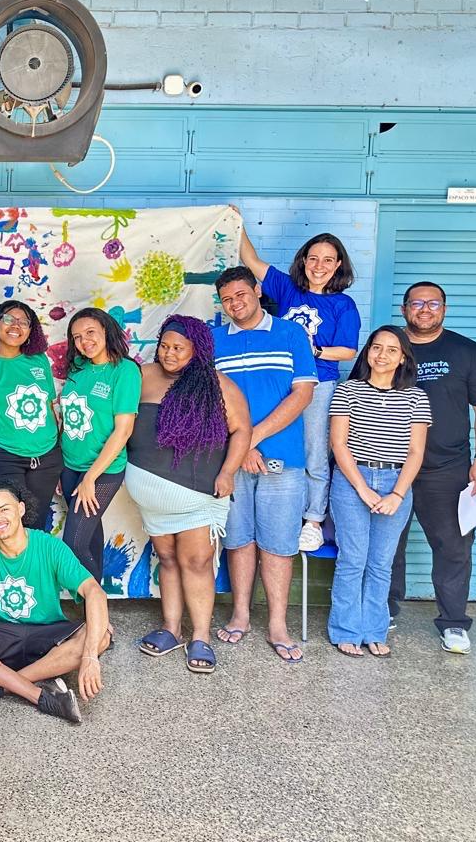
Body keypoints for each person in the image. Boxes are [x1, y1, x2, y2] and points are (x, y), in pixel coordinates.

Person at [126, 316, 251, 674]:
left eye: (178, 348)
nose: (169, 353)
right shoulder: (143, 376)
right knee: (166, 559)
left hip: (198, 496)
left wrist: (228, 472)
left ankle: (201, 637)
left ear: (197, 350)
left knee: (196, 562)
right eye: (164, 346)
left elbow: (242, 430)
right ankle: (171, 629)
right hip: (151, 499)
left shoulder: (217, 385)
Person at [389, 282, 476, 655]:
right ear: (404, 309)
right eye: (417, 303)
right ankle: (383, 610)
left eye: (433, 303)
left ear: (444, 309)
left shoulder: (467, 352)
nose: (425, 309)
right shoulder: (386, 347)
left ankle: (453, 622)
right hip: (389, 465)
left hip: (446, 468)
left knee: (453, 546)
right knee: (387, 543)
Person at [212, 267, 317, 664]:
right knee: (238, 540)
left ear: (257, 290)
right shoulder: (214, 340)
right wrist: (239, 448)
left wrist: (249, 439)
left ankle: (277, 625)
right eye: (226, 299)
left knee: (278, 544)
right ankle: (240, 615)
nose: (234, 303)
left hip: (283, 458)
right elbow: (212, 402)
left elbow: (302, 395)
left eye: (240, 294)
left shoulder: (291, 334)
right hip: (231, 460)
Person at [237, 223, 361, 552]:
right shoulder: (288, 289)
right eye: (313, 258)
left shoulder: (343, 304)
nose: (319, 266)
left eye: (328, 260)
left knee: (314, 449)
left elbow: (348, 350)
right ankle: (284, 513)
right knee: (275, 440)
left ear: (338, 265)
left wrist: (312, 350)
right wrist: (237, 222)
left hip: (318, 383)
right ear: (303, 260)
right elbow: (250, 260)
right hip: (280, 381)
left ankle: (313, 520)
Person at [0, 480, 110, 725]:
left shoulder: (49, 546)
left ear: (21, 509)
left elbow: (95, 592)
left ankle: (4, 685)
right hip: (2, 636)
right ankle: (39, 693)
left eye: (4, 509)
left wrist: (89, 658)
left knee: (101, 636)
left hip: (46, 634)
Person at [328, 326, 431, 658]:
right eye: (376, 347)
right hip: (352, 480)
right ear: (368, 352)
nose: (382, 355)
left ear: (403, 358)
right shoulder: (348, 390)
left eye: (391, 350)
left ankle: (374, 631)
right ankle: (346, 631)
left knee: (381, 563)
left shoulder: (416, 397)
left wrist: (397, 494)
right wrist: (362, 488)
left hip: (396, 482)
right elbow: (339, 444)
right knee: (352, 559)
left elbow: (416, 452)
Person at [56, 307, 141, 582]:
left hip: (103, 470)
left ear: (106, 330)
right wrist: (58, 466)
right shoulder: (78, 369)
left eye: (90, 332)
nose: (84, 341)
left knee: (74, 543)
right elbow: (67, 419)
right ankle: (94, 606)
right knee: (89, 539)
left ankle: (94, 606)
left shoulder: (125, 371)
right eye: (77, 337)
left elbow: (123, 430)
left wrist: (90, 477)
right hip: (70, 466)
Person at [0, 300, 61, 532]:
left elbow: (50, 409)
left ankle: (34, 560)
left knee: (36, 527)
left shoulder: (39, 360)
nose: (16, 326)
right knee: (8, 527)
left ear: (30, 330)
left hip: (47, 458)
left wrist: (60, 458)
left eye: (24, 322)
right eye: (9, 319)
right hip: (4, 456)